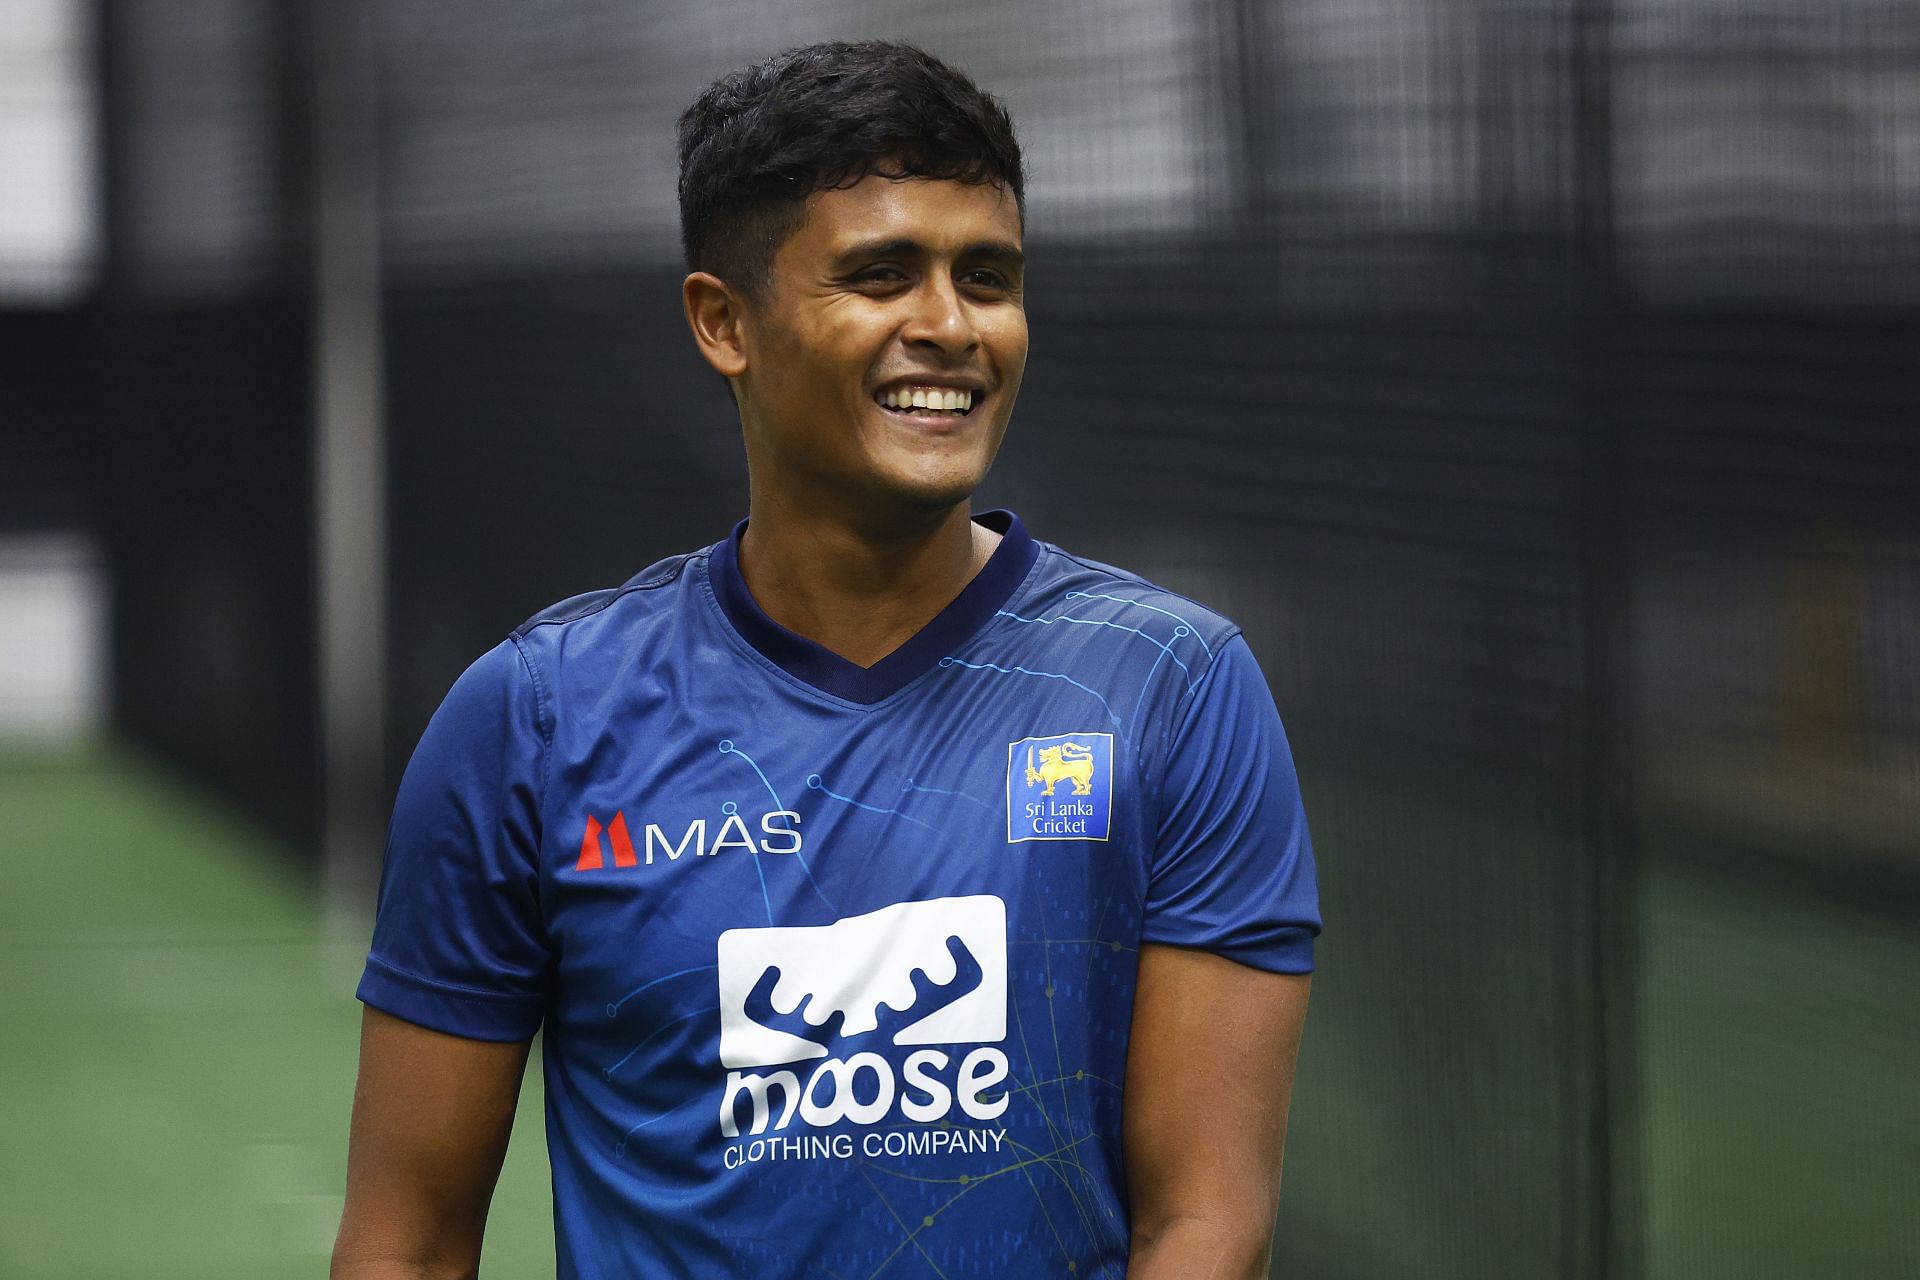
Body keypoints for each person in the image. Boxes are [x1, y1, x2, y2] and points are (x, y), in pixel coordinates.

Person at [331, 39, 1319, 1280]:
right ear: (723, 321)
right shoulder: (535, 717)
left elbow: (1207, 1225)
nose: (951, 326)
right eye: (882, 273)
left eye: (988, 276)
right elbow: (405, 1243)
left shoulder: (1171, 687)